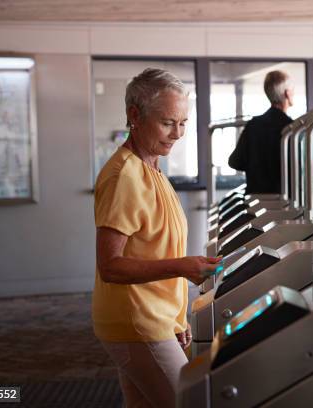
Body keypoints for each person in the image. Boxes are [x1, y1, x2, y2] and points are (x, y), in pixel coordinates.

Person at [92, 68, 220, 408]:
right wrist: (183, 267)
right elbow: (111, 266)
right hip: (137, 322)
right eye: (167, 123)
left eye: (183, 123)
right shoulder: (125, 176)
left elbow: (153, 249)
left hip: (155, 320)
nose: (177, 133)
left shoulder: (153, 169)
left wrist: (176, 320)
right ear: (135, 116)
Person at [228, 70, 294, 194]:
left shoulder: (253, 125)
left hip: (256, 204)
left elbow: (235, 162)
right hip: (285, 205)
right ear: (287, 93)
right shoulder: (292, 128)